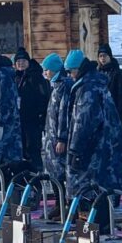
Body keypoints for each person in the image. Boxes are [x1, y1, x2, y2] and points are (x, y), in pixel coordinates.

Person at [65, 49, 122, 234]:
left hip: (93, 147)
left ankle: (95, 226)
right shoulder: (95, 83)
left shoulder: (87, 88)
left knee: (90, 187)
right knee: (101, 185)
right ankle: (98, 225)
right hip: (103, 144)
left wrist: (76, 149)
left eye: (71, 71)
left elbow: (84, 122)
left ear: (77, 69)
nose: (70, 76)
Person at [40, 53, 73, 202]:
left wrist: (62, 138)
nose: (45, 73)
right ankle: (58, 204)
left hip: (58, 137)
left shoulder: (64, 86)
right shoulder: (56, 86)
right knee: (53, 171)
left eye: (47, 70)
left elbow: (64, 114)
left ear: (54, 70)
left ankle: (65, 204)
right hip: (51, 136)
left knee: (60, 171)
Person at [14, 47, 50, 172]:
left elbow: (44, 97)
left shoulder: (36, 77)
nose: (21, 63)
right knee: (21, 151)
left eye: (23, 61)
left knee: (33, 150)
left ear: (28, 62)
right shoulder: (16, 78)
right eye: (18, 61)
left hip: (33, 120)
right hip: (19, 121)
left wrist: (41, 117)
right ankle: (24, 182)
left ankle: (37, 180)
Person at [97, 43, 122, 126]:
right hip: (101, 112)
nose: (103, 58)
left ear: (109, 56)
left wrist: (119, 112)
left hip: (114, 111)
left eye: (105, 55)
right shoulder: (98, 72)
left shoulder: (118, 73)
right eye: (100, 56)